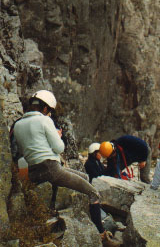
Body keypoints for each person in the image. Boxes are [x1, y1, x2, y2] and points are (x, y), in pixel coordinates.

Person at [13, 90, 118, 246]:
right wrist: (58, 135)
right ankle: (102, 235)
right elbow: (59, 148)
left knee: (84, 177)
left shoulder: (18, 124)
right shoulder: (44, 121)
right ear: (45, 108)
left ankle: (90, 219)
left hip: (34, 171)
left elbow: (23, 151)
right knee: (93, 192)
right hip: (52, 169)